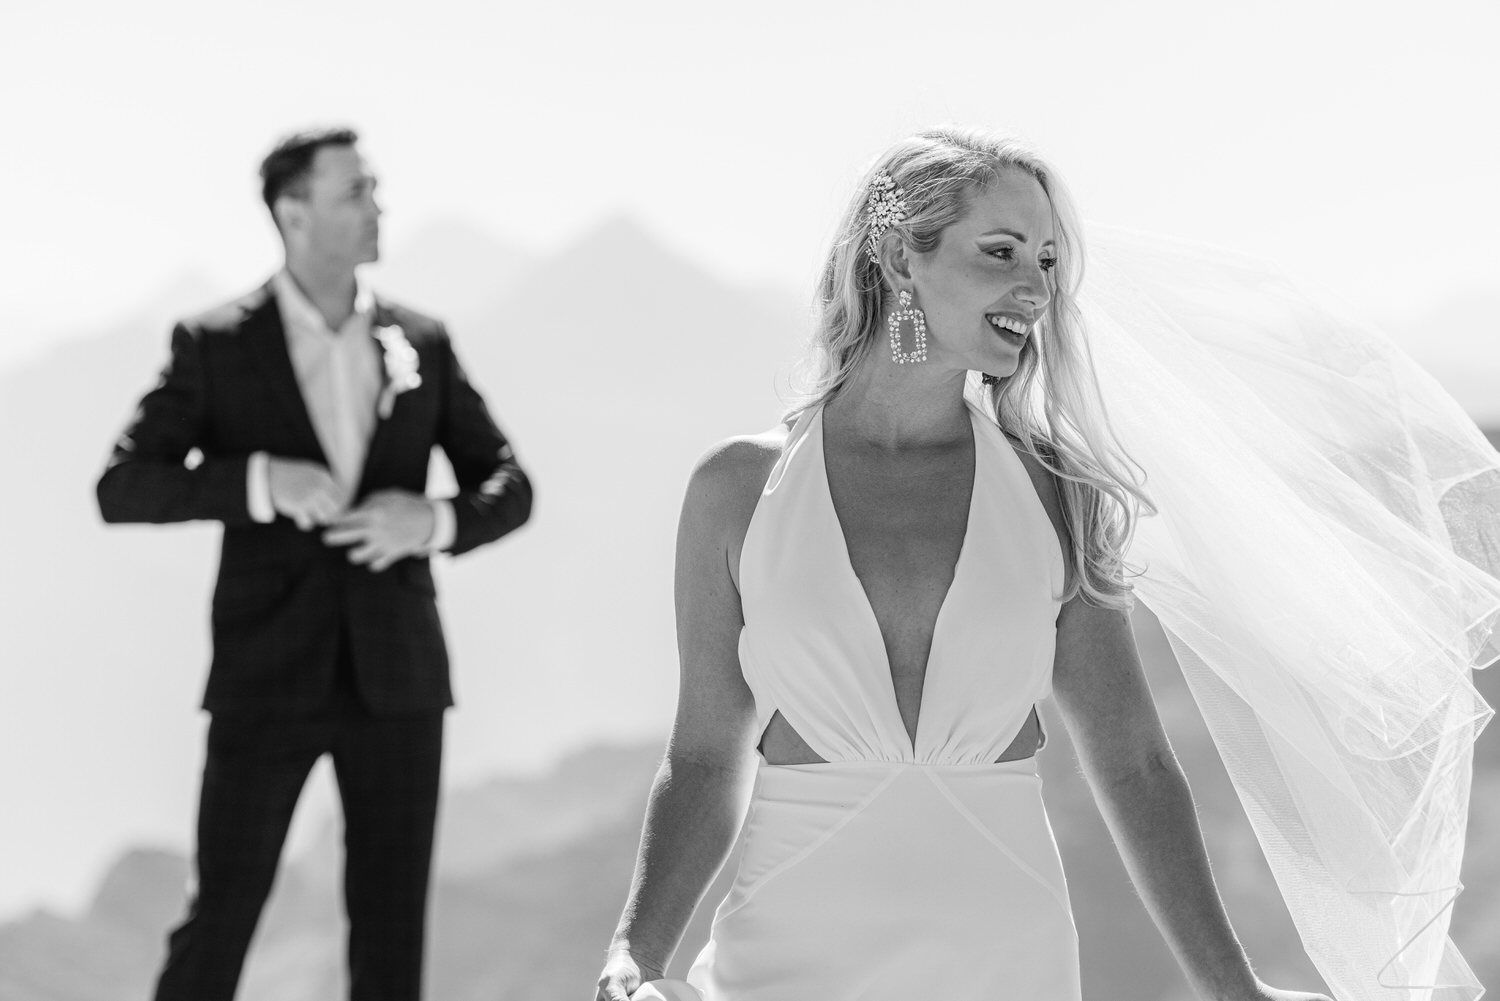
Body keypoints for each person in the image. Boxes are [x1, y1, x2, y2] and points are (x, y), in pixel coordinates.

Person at [594, 127, 1350, 1000]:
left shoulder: (1056, 491)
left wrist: (1232, 987)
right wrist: (634, 954)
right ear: (896, 256)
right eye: (1000, 253)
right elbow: (702, 755)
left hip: (1006, 960)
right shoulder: (735, 489)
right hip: (785, 958)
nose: (1035, 289)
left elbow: (1134, 759)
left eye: (1047, 261)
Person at [96, 126, 533, 1001]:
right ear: (293, 213)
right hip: (264, 676)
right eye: (356, 192)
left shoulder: (424, 340)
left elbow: (509, 483)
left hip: (401, 676)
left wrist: (436, 520)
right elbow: (123, 486)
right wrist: (257, 480)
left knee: (391, 931)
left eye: (374, 188)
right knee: (221, 917)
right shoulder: (214, 343)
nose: (378, 207)